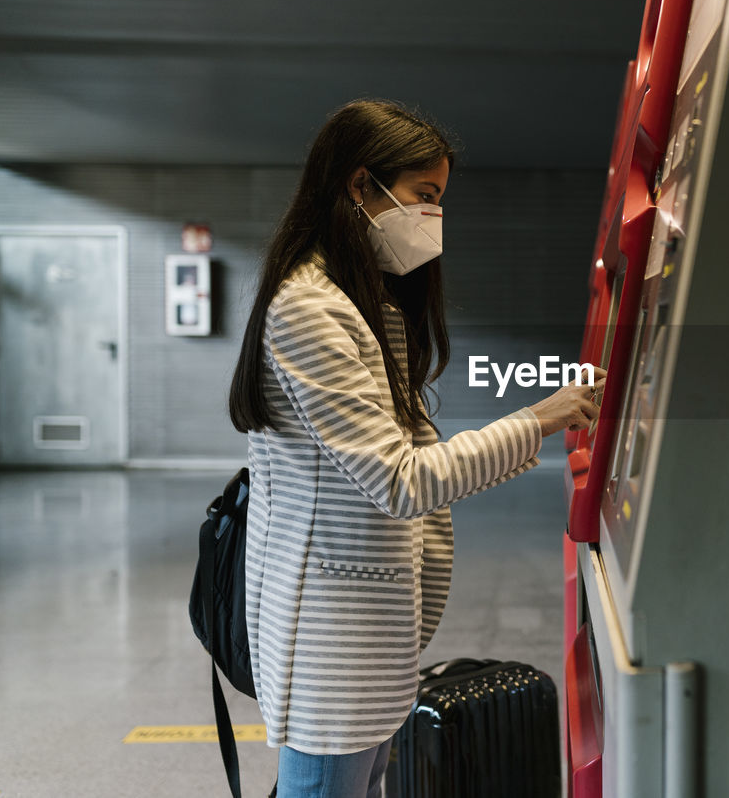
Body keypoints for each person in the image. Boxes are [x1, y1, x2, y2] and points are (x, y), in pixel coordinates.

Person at [227, 98, 604, 797]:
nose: (432, 218)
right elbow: (400, 481)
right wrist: (538, 419)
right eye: (423, 196)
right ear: (358, 184)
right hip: (331, 640)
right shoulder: (309, 307)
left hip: (368, 636)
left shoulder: (364, 305)